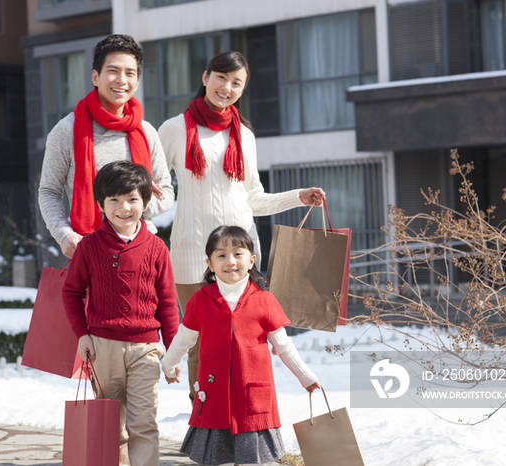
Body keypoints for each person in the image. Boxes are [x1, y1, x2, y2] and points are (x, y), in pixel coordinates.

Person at [158, 51, 325, 400]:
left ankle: (242, 418)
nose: (227, 87)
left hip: (240, 253)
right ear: (205, 77)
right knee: (197, 342)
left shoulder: (244, 135)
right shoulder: (174, 129)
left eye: (237, 83)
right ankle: (204, 421)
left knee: (245, 337)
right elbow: (152, 183)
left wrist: (299, 196)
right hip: (192, 254)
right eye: (222, 78)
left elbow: (255, 198)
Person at [162, 225, 321, 466]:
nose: (230, 261)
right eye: (221, 255)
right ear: (210, 262)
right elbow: (184, 337)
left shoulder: (264, 300)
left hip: (252, 397)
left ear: (251, 260)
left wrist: (305, 376)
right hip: (214, 398)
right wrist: (169, 364)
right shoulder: (200, 300)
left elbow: (284, 345)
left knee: (251, 461)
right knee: (218, 460)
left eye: (238, 253)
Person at [62, 161, 179, 466]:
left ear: (146, 202)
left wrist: (174, 353)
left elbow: (167, 302)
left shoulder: (157, 248)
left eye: (132, 199)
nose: (123, 207)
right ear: (101, 203)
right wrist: (82, 336)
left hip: (146, 349)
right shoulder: (89, 247)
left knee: (144, 423)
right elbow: (71, 292)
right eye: (113, 199)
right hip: (102, 348)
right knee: (110, 427)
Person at [39, 34, 174, 259]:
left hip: (142, 251)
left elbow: (167, 192)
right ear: (95, 76)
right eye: (113, 71)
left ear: (137, 81)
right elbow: (49, 192)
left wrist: (137, 202)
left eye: (130, 73)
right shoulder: (66, 131)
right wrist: (64, 234)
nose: (122, 80)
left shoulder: (146, 131)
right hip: (91, 250)